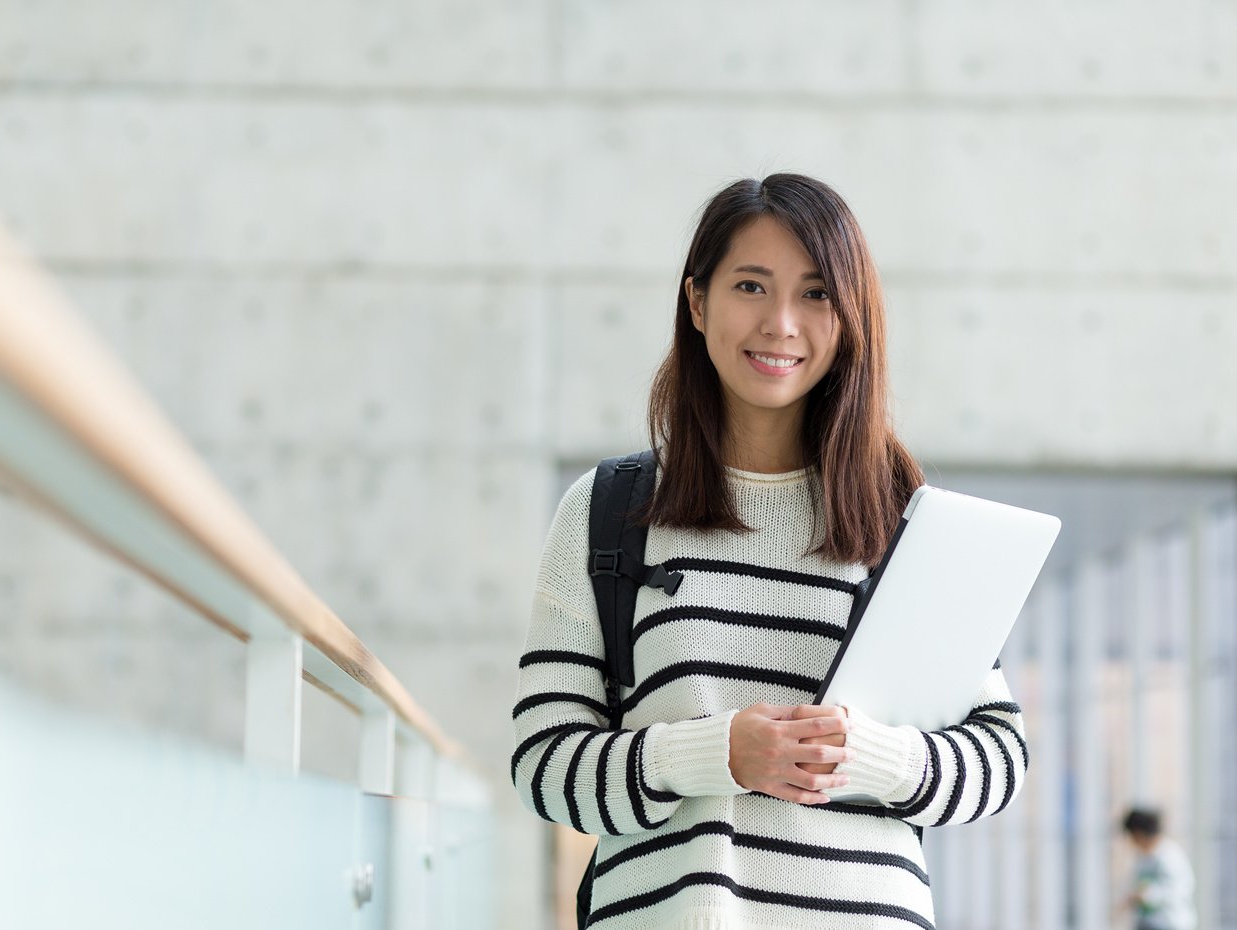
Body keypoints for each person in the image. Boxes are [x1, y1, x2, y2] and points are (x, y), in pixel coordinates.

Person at [510, 173, 1029, 929]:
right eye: (750, 285)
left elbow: (997, 760)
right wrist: (718, 753)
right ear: (696, 302)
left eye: (816, 294)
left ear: (850, 318)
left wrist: (866, 756)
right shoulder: (609, 510)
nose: (781, 322)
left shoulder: (898, 521)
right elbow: (544, 766)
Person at [1119, 807, 1196, 930]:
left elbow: (1179, 890)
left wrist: (1147, 895)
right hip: (1147, 924)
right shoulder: (1143, 858)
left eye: (1132, 837)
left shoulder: (1170, 856)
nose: (1131, 842)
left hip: (1170, 924)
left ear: (1139, 834)